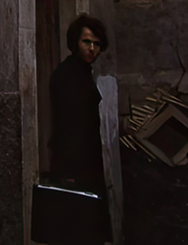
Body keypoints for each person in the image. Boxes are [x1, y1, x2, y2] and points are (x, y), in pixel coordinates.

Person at [48, 14, 113, 242]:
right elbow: (67, 126)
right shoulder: (67, 75)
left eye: (96, 44)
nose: (92, 48)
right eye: (87, 42)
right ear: (76, 42)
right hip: (73, 167)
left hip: (88, 165)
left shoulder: (83, 73)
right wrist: (68, 173)